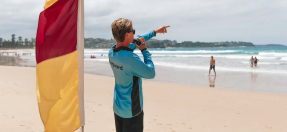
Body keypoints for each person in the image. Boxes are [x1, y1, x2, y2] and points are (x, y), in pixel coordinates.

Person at [108, 18, 170, 132]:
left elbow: (137, 40)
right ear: (127, 35)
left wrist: (155, 32)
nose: (135, 34)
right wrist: (144, 50)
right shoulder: (130, 58)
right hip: (132, 110)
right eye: (133, 31)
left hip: (118, 107)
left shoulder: (112, 51)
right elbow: (151, 73)